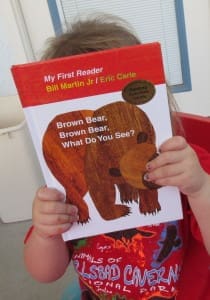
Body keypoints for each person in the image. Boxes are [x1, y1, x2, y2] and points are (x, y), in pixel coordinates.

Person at [24, 14, 210, 299]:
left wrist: (200, 189)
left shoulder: (186, 166)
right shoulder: (68, 183)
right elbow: (45, 274)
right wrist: (44, 233)